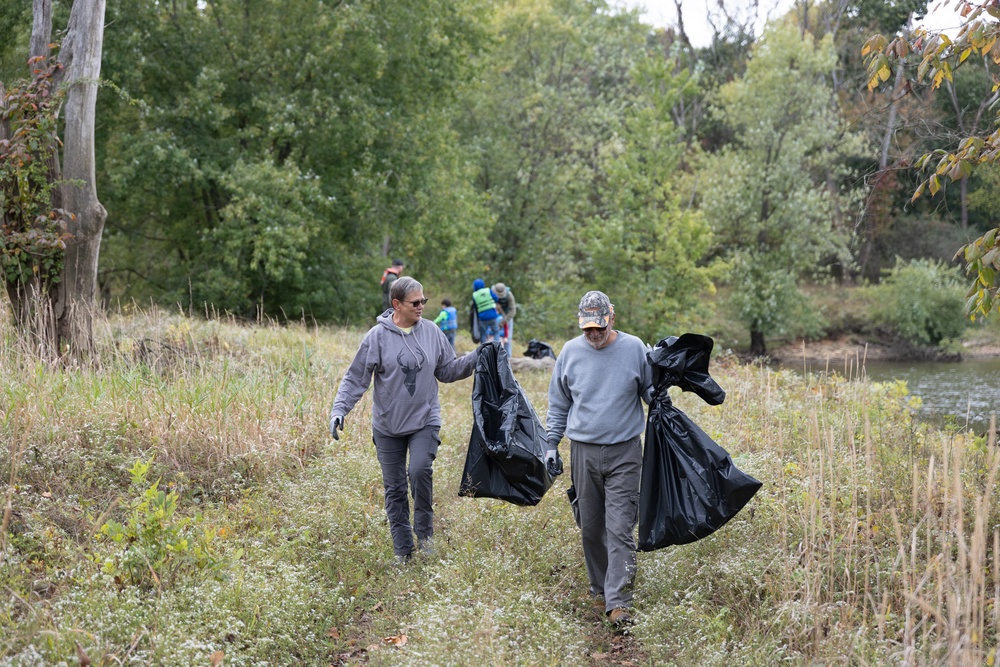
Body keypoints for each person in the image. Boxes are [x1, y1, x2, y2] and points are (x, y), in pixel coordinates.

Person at [330, 277, 478, 563]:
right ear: (396, 304)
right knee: (395, 488)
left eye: (423, 300)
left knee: (420, 471)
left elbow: (447, 371)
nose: (422, 306)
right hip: (388, 426)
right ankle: (403, 551)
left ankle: (425, 536)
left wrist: (476, 356)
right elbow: (355, 378)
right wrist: (339, 409)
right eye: (416, 302)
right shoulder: (376, 337)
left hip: (424, 420)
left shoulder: (433, 332)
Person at [544, 290, 653, 629]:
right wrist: (551, 444)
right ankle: (600, 591)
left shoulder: (635, 349)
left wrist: (667, 379)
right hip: (583, 451)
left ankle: (619, 603)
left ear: (612, 318)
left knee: (619, 527)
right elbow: (559, 403)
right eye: (587, 329)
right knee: (590, 528)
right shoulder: (570, 352)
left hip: (625, 451)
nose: (593, 335)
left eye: (599, 328)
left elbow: (652, 394)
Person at [471, 278, 501, 343]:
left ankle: (484, 349)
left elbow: (475, 307)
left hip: (482, 317)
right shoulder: (488, 290)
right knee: (496, 331)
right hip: (492, 315)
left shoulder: (474, 295)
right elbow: (496, 298)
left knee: (483, 334)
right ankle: (496, 347)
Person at [492, 282, 516, 356]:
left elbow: (513, 311)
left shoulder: (509, 295)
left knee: (507, 339)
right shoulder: (491, 292)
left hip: (506, 317)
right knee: (493, 337)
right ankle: (494, 356)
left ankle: (508, 357)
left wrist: (504, 321)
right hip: (494, 317)